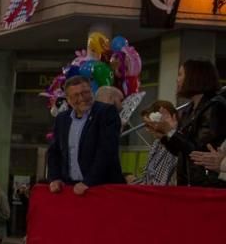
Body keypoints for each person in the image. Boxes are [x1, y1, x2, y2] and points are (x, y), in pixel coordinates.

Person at [145, 59, 226, 188]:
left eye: (180, 74)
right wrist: (164, 136)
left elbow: (198, 151)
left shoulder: (214, 106)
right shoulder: (189, 109)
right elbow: (181, 151)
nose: (177, 80)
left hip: (208, 184)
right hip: (187, 182)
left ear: (195, 77)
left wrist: (170, 131)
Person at [47, 76, 125, 195]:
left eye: (85, 93)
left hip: (101, 188)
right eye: (76, 95)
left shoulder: (107, 112)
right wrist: (54, 178)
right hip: (70, 188)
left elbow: (107, 151)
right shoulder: (62, 119)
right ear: (68, 99)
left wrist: (88, 182)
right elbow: (54, 152)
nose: (82, 98)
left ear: (91, 91)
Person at [136, 101, 180, 186]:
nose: (147, 130)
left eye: (149, 125)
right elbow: (148, 177)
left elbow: (162, 181)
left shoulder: (175, 142)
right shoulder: (157, 143)